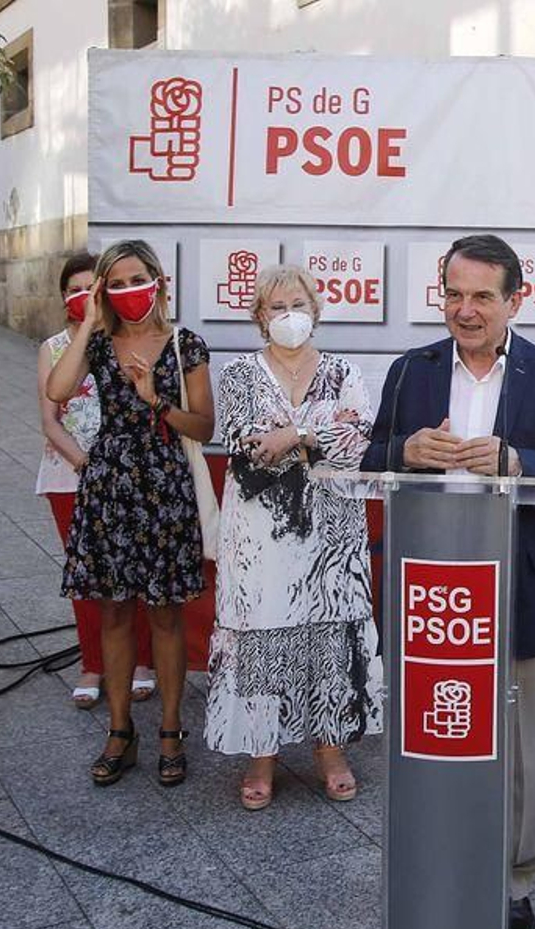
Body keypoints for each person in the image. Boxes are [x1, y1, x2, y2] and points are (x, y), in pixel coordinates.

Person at [363, 234, 535, 929]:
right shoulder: (411, 372)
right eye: (454, 294)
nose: (465, 311)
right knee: (431, 731)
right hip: (429, 593)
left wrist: (517, 461)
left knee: (516, 745)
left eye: (481, 297)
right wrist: (405, 452)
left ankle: (515, 880)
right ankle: (432, 858)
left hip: (515, 583)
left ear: (515, 300)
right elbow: (371, 459)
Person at [205, 265, 382, 811]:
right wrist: (311, 443)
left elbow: (358, 442)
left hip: (334, 538)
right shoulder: (237, 375)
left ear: (316, 309)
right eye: (276, 307)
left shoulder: (345, 371)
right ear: (259, 317)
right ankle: (262, 755)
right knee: (261, 638)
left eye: (296, 304)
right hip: (259, 537)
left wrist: (295, 436)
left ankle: (330, 751)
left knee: (329, 636)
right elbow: (247, 453)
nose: (288, 316)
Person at [48, 239, 214, 788]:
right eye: (114, 283)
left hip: (164, 483)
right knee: (114, 612)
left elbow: (204, 428)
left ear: (159, 281)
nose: (128, 291)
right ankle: (120, 730)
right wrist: (89, 321)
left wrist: (154, 400)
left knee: (165, 615)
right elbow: (58, 387)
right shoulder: (96, 344)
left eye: (136, 279)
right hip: (109, 482)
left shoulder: (185, 344)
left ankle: (170, 728)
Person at [35, 252, 155, 709]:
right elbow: (51, 418)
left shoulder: (127, 340)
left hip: (129, 477)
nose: (82, 297)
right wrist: (88, 465)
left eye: (91, 288)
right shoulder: (53, 347)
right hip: (71, 475)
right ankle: (92, 663)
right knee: (86, 578)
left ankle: (142, 660)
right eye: (73, 290)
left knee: (136, 572)